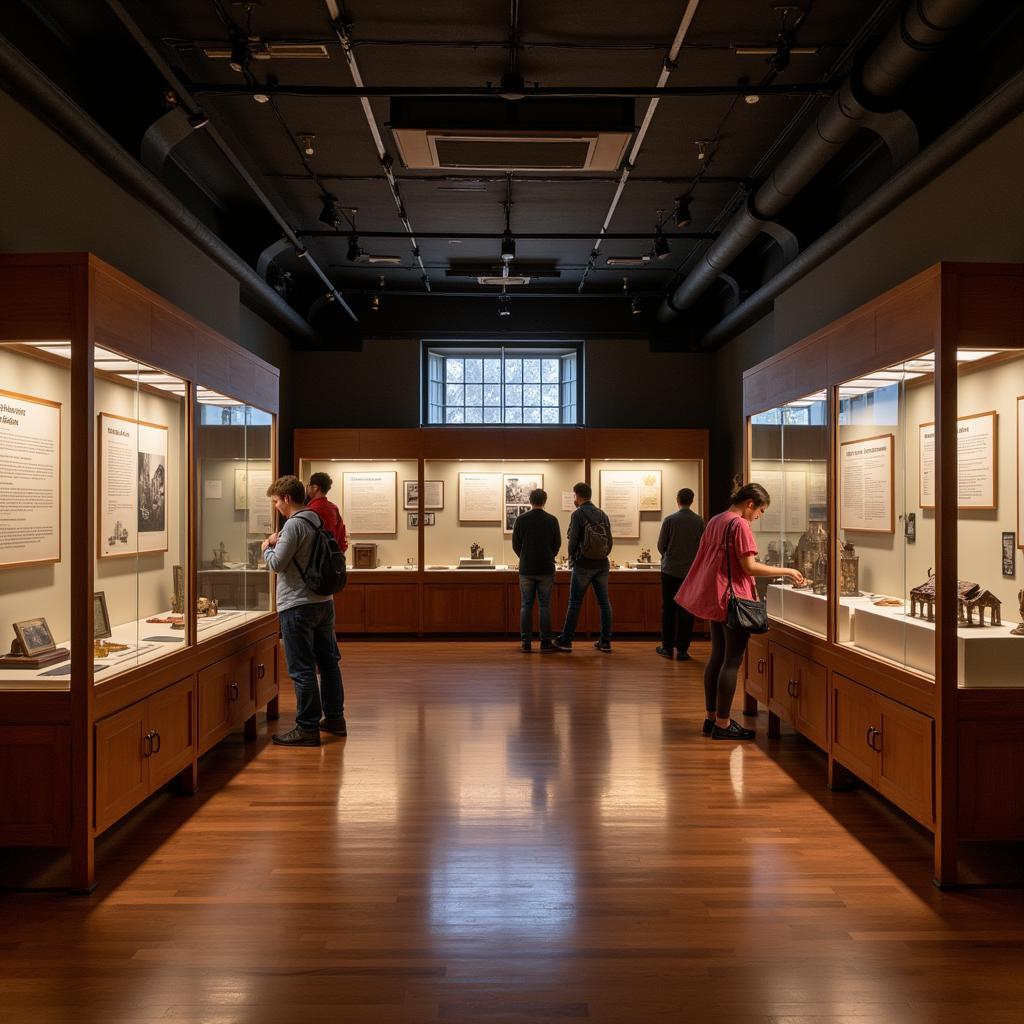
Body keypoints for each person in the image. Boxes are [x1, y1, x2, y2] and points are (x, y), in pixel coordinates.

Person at [676, 483, 804, 740]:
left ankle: (711, 718)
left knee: (717, 657)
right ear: (749, 504)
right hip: (735, 600)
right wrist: (787, 571)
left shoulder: (716, 520)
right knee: (732, 661)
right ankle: (723, 725)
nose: (759, 516)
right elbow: (749, 567)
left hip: (717, 597)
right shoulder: (740, 524)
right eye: (761, 510)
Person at [262, 474, 346, 746]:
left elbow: (277, 564)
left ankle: (307, 727)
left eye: (276, 501)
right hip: (323, 601)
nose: (275, 506)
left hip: (297, 604)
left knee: (302, 668)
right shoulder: (316, 518)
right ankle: (334, 718)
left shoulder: (293, 526)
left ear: (287, 498)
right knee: (329, 663)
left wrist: (266, 547)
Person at [551, 482, 614, 653]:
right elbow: (610, 541)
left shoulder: (578, 514)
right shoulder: (603, 514)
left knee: (575, 602)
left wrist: (572, 557)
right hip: (602, 564)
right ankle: (605, 641)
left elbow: (573, 541)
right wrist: (602, 555)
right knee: (604, 602)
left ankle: (566, 640)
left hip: (583, 564)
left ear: (577, 496)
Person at [656, 488, 704, 661]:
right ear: (692, 500)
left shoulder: (670, 520)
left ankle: (667, 648)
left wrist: (668, 556)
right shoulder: (699, 521)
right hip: (690, 573)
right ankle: (682, 649)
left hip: (670, 570)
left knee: (668, 609)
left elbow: (661, 545)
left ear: (678, 500)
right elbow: (702, 547)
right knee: (686, 610)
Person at [511, 488, 562, 652]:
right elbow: (557, 544)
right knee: (545, 605)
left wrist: (524, 556)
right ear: (544, 501)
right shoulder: (552, 520)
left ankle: (526, 643)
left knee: (526, 605)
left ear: (530, 501)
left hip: (526, 568)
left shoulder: (521, 519)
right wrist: (548, 556)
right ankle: (545, 642)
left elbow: (516, 545)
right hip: (546, 568)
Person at [305, 471, 348, 552]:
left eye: (309, 485)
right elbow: (342, 535)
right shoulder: (333, 508)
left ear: (315, 487)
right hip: (332, 556)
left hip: (317, 559)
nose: (307, 488)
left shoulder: (311, 510)